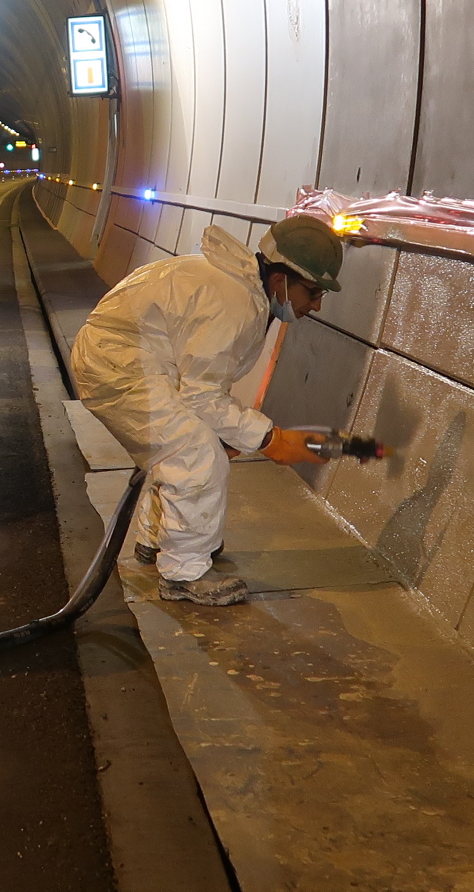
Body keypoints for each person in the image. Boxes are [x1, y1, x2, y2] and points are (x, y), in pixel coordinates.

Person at [70, 213, 350, 606]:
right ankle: (184, 574)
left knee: (181, 447)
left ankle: (157, 541)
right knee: (194, 455)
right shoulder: (235, 302)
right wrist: (270, 439)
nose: (316, 305)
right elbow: (201, 395)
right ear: (279, 280)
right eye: (313, 292)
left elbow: (203, 384)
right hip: (118, 364)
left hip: (126, 358)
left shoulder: (240, 289)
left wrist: (230, 432)